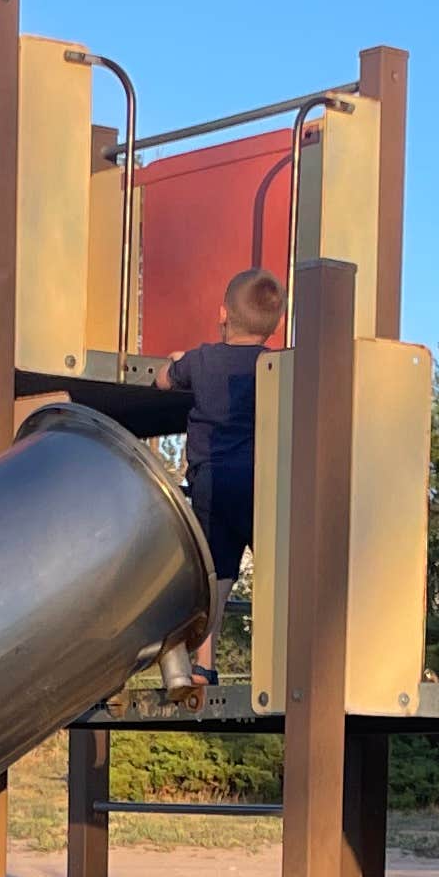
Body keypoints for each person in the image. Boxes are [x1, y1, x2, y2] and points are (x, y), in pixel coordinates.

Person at [161, 268, 284, 703]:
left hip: (212, 483)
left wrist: (174, 362)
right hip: (261, 485)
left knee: (213, 576)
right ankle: (280, 667)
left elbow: (163, 379)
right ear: (274, 326)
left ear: (223, 315)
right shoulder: (275, 366)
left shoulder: (202, 360)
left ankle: (201, 667)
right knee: (275, 572)